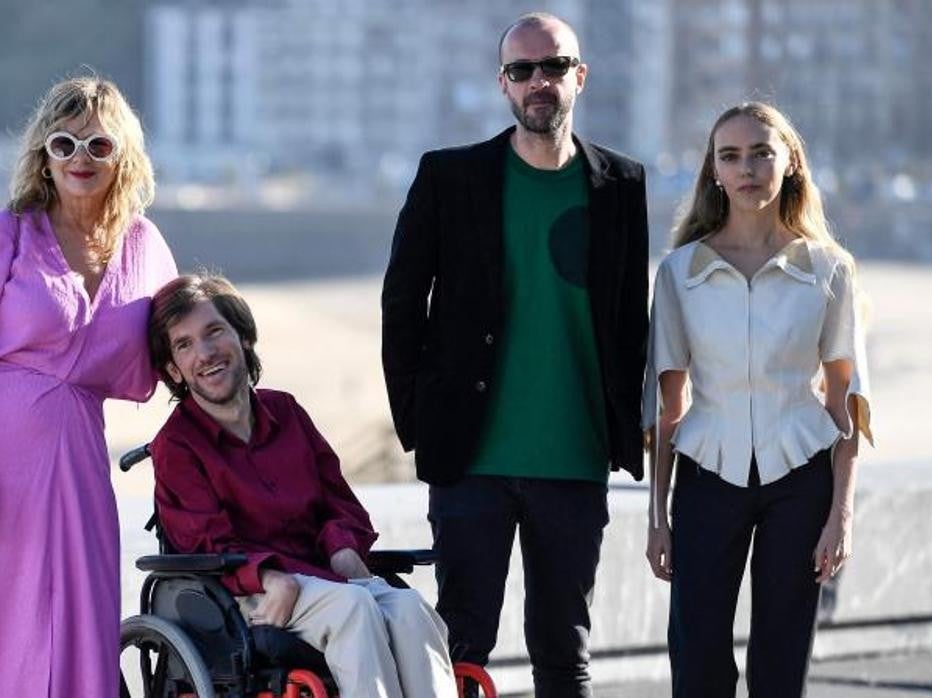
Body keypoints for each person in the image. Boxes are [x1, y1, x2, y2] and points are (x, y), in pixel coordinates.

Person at [381, 12, 649, 697]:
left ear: (579, 78)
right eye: (523, 70)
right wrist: (418, 419)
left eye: (554, 67)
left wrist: (630, 427)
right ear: (503, 85)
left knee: (565, 652)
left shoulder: (620, 186)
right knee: (463, 647)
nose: (540, 82)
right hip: (472, 460)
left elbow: (626, 319)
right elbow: (402, 305)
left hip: (574, 457)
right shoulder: (450, 177)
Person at [0, 77, 177, 697]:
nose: (80, 158)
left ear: (122, 155)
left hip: (75, 474)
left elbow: (174, 346)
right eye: (64, 142)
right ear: (43, 155)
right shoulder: (5, 235)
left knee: (77, 632)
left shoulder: (145, 247)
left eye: (98, 145)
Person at [643, 102, 874, 697]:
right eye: (730, 156)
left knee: (781, 661)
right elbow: (666, 409)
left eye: (761, 152)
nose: (746, 168)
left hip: (801, 478)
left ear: (790, 162)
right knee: (697, 661)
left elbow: (846, 402)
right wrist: (657, 519)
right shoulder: (679, 272)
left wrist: (840, 517)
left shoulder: (829, 269)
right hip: (706, 474)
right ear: (714, 171)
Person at [148, 273, 456, 698]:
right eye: (184, 345)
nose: (204, 353)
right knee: (354, 609)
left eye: (213, 331)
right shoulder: (177, 445)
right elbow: (206, 544)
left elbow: (338, 500)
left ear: (243, 337)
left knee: (409, 610)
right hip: (244, 594)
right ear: (173, 370)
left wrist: (344, 549)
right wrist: (271, 577)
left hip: (323, 577)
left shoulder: (286, 411)